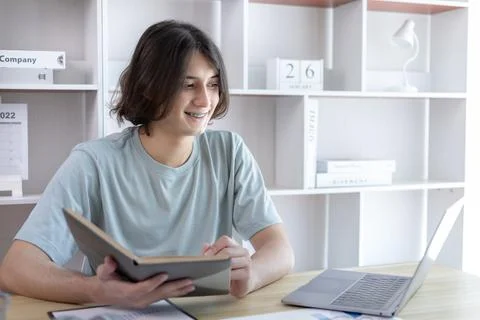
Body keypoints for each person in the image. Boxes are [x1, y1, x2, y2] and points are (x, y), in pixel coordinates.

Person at [0, 20, 294, 308]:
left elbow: (280, 250)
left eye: (213, 84)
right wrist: (94, 291)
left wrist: (250, 274)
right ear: (150, 88)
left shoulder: (230, 152)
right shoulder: (93, 162)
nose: (205, 100)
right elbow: (16, 268)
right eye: (188, 85)